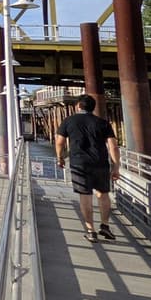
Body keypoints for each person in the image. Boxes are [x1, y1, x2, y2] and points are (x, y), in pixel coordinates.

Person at [55, 94, 121, 242]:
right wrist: (116, 166)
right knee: (103, 194)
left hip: (79, 163)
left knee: (85, 196)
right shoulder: (103, 123)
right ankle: (105, 225)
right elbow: (113, 146)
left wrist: (59, 157)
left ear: (78, 106)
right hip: (101, 163)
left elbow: (59, 142)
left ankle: (90, 230)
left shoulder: (69, 121)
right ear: (93, 107)